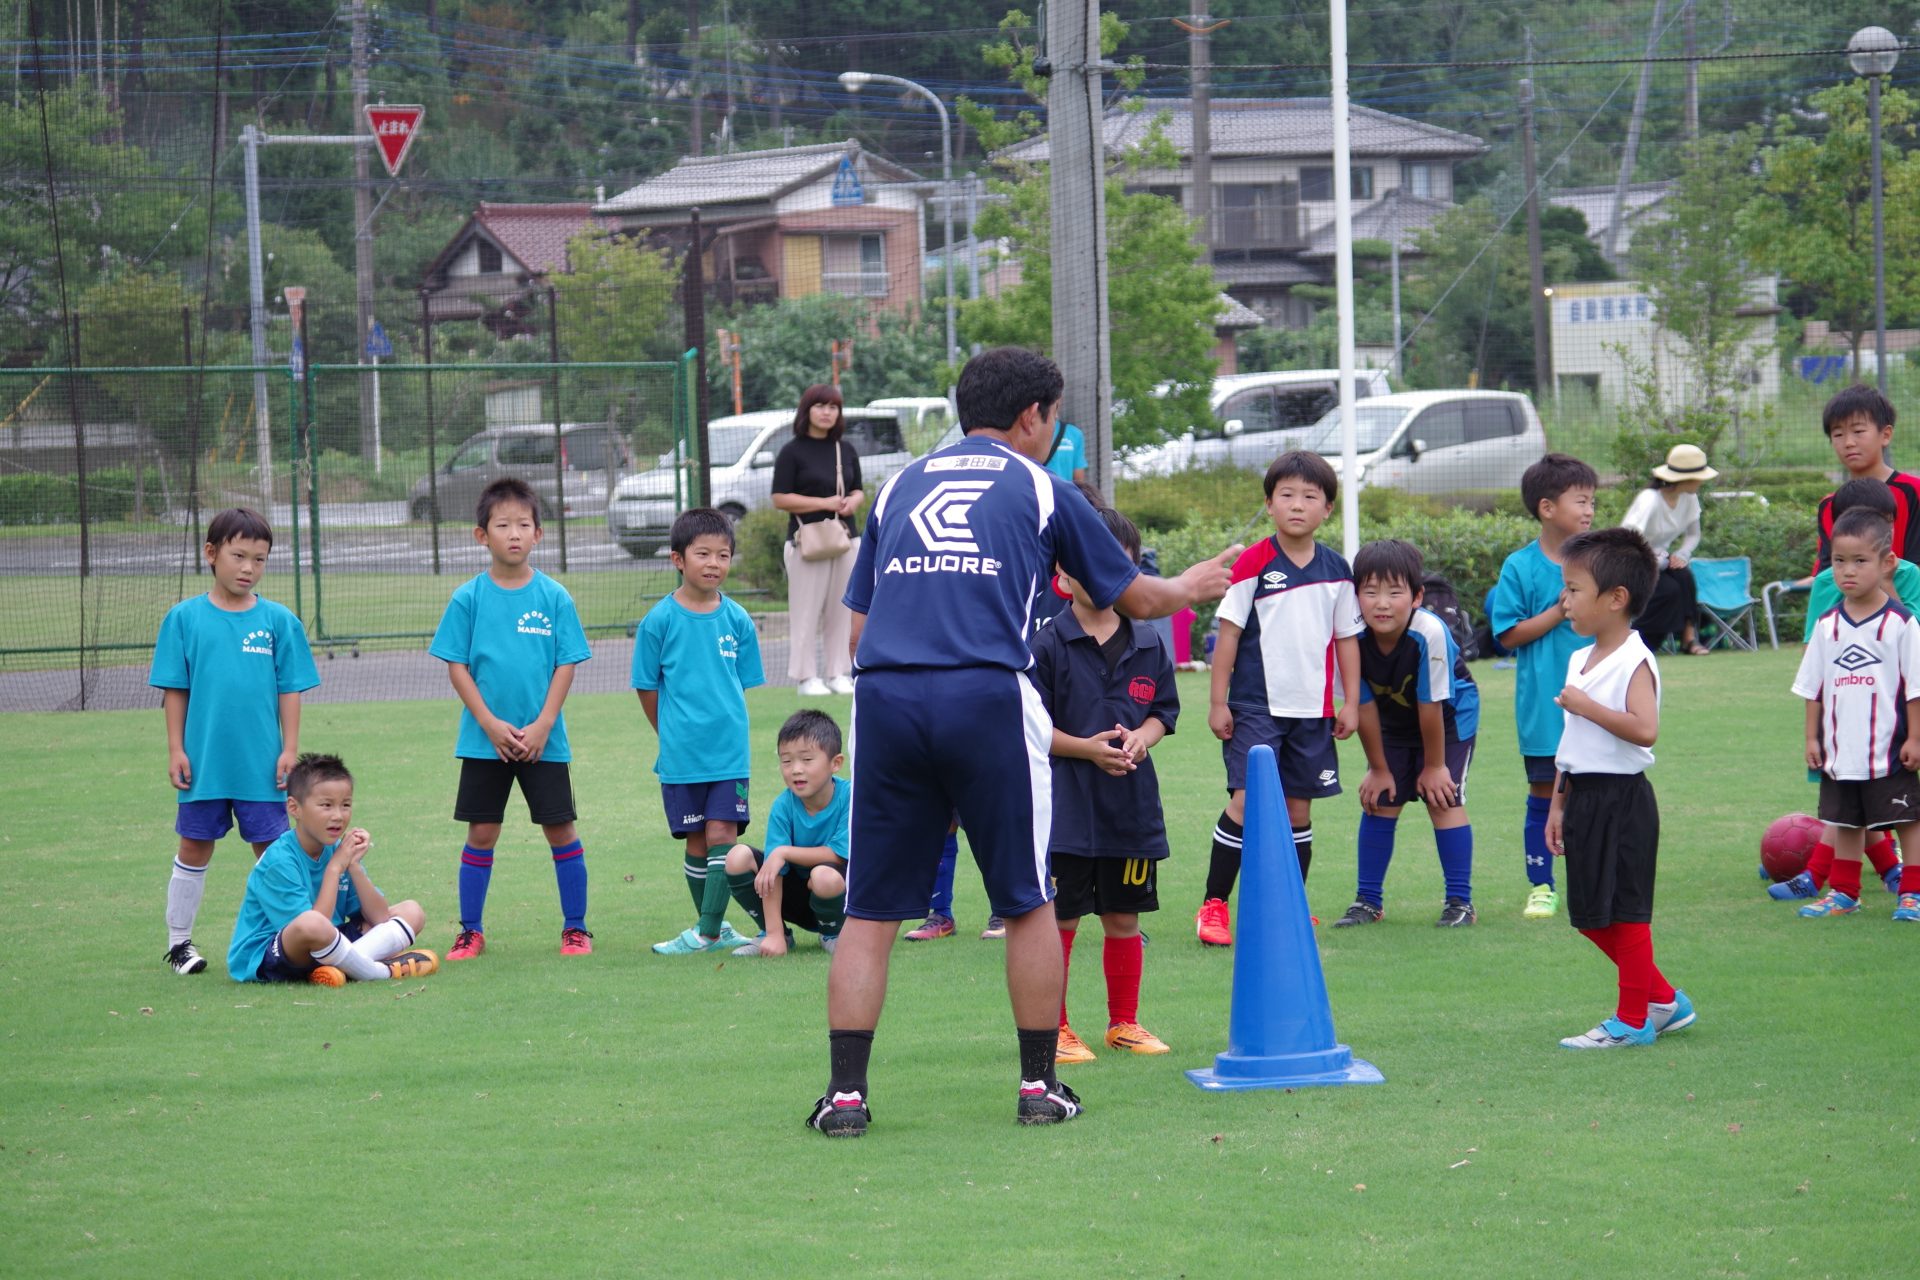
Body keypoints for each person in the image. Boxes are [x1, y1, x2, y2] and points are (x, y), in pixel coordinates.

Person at [808, 346, 1235, 1137]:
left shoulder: (900, 483)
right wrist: (1192, 587)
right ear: (1033, 416)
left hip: (888, 697)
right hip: (985, 695)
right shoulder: (1038, 485)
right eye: (1055, 416)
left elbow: (860, 623)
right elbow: (1134, 594)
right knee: (1028, 901)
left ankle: (845, 1098)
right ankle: (1039, 1088)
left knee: (870, 912)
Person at [1029, 502, 1180, 1065]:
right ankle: (1059, 1028)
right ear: (1063, 576)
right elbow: (1031, 730)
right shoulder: (1045, 646)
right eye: (1091, 563)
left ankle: (1124, 1023)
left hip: (1129, 809)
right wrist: (1086, 749)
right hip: (1066, 812)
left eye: (1119, 566)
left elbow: (1163, 712)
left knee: (1123, 916)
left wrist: (1143, 736)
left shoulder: (1148, 643)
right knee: (1061, 919)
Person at [1194, 450, 1363, 947]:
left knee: (1297, 812)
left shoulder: (1337, 571)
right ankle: (1214, 906)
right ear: (1269, 505)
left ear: (1327, 509)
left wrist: (1349, 702)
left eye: (1310, 496)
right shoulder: (1253, 563)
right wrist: (1217, 700)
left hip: (1313, 712)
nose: (1297, 505)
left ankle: (1288, 908)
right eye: (1286, 495)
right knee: (1247, 803)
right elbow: (1227, 634)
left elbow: (1348, 640)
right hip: (1254, 706)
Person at [429, 478, 595, 962]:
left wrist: (544, 723)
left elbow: (567, 663)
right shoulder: (468, 598)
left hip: (545, 741)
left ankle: (576, 929)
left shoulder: (554, 597)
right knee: (481, 833)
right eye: (503, 525)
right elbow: (455, 665)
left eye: (524, 524)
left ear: (539, 534)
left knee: (561, 829)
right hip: (485, 742)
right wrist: (488, 723)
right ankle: (470, 931)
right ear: (483, 536)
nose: (514, 534)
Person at [150, 507, 318, 976]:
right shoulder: (183, 619)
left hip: (261, 765)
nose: (248, 568)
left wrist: (289, 749)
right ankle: (179, 944)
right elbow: (175, 690)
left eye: (260, 559)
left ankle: (293, 941)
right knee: (194, 848)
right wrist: (176, 748)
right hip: (203, 763)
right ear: (211, 553)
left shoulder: (279, 621)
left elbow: (290, 689)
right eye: (239, 555)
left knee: (275, 853)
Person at [1546, 527, 1694, 1048]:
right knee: (1589, 916)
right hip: (1583, 796)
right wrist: (1558, 803)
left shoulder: (1636, 659)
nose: (1564, 600)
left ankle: (1633, 1020)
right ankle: (1665, 999)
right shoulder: (1576, 660)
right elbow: (1572, 740)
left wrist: (1588, 706)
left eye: (1574, 589)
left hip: (1624, 800)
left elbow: (1644, 728)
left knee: (1626, 910)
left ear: (1616, 599)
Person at [1770, 479, 1914, 901]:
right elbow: (1816, 669)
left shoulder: (1905, 598)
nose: (1848, 570)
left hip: (1889, 730)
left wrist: (1885, 583)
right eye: (1839, 559)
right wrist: (1811, 734)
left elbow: (1911, 659)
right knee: (1846, 809)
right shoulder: (1827, 602)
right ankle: (1844, 884)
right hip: (1840, 727)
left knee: (1894, 810)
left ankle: (1889, 881)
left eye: (1860, 559)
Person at [634, 507, 766, 955]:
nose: (714, 564)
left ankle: (707, 931)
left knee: (722, 837)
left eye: (724, 555)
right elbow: (646, 688)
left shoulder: (739, 620)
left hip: (729, 753)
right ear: (678, 559)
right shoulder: (658, 621)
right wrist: (669, 732)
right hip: (681, 755)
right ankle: (713, 928)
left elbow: (740, 688)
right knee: (695, 840)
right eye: (703, 554)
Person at [1336, 538, 1480, 930]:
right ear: (1355, 595)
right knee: (1380, 798)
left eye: (1394, 592)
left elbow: (1430, 705)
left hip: (1449, 719)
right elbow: (1363, 705)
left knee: (1442, 799)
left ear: (1416, 597)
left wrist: (1434, 766)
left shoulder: (1429, 633)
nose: (1382, 603)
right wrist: (1378, 768)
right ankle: (1368, 901)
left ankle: (1460, 902)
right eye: (1370, 591)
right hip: (1392, 722)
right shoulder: (1348, 635)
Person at [1490, 453, 1598, 921]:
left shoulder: (1600, 561)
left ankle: (1593, 879)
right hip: (1543, 707)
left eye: (1593, 501)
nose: (1590, 510)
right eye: (1581, 500)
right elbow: (1508, 635)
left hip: (1598, 704)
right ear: (1547, 507)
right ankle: (1542, 886)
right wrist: (1560, 609)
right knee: (1543, 793)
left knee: (1596, 792)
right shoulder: (1520, 567)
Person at [227, 753, 439, 985]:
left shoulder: (338, 849)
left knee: (412, 911)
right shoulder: (279, 860)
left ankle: (341, 968)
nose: (338, 816)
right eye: (326, 805)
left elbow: (379, 918)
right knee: (312, 923)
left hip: (330, 944)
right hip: (271, 954)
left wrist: (354, 865)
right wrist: (334, 869)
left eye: (345, 805)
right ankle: (377, 971)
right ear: (294, 808)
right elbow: (314, 928)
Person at [723, 709, 849, 956]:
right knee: (736, 857)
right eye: (787, 760)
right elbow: (774, 870)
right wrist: (774, 935)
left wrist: (783, 852)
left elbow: (838, 855)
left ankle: (833, 932)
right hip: (793, 898)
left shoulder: (852, 797)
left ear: (836, 763)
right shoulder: (783, 805)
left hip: (836, 895)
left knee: (824, 875)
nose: (796, 770)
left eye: (807, 760)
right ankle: (775, 933)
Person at [771, 384, 863, 697]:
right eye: (820, 406)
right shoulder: (792, 451)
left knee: (843, 609)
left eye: (833, 407)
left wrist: (854, 502)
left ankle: (838, 672)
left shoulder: (845, 449)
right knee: (805, 611)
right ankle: (805, 677)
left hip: (846, 539)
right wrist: (823, 504)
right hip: (805, 542)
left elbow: (858, 488)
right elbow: (780, 498)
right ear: (807, 410)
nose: (827, 412)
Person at [1810, 384, 1920, 573]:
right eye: (1838, 434)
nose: (1848, 442)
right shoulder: (1829, 505)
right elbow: (1827, 572)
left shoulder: (1913, 491)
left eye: (1858, 431)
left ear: (1885, 435)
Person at [1621, 443, 1716, 655]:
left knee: (1685, 578)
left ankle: (1689, 639)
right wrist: (1651, 556)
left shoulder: (1690, 499)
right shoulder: (1650, 499)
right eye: (1699, 476)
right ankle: (1635, 644)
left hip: (1661, 559)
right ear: (1684, 478)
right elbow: (1628, 536)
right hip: (1635, 560)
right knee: (1668, 591)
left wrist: (1682, 554)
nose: (1702, 481)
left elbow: (1693, 535)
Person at [1045, 418, 1088, 485]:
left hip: (1038, 492)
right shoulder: (1075, 433)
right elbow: (1079, 481)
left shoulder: (1033, 431)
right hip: (1065, 492)